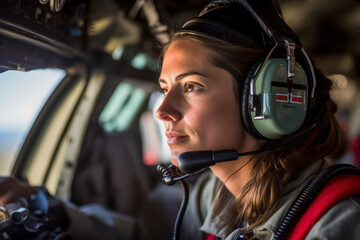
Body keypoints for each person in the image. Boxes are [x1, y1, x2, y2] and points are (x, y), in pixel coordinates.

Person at [154, 0, 360, 239]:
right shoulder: (214, 195)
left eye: (191, 86)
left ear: (268, 100)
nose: (162, 111)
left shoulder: (338, 222)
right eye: (164, 88)